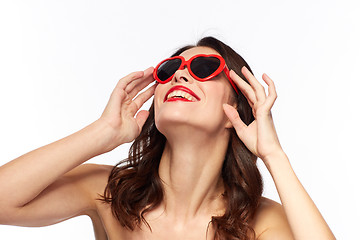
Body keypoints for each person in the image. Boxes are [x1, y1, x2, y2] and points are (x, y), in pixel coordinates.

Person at [0, 36, 335, 240]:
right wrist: (101, 134)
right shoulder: (108, 193)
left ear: (236, 108)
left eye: (204, 67)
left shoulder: (259, 222)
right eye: (168, 70)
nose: (179, 73)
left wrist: (274, 155)